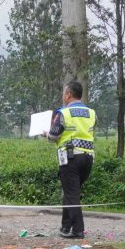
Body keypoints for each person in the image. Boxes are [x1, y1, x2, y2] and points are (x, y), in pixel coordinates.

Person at [46, 81, 96, 239]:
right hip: (88, 158)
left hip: (70, 157)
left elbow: (54, 136)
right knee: (70, 192)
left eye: (64, 93)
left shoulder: (64, 113)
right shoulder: (91, 113)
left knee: (71, 193)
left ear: (68, 95)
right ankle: (65, 226)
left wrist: (45, 133)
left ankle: (78, 230)